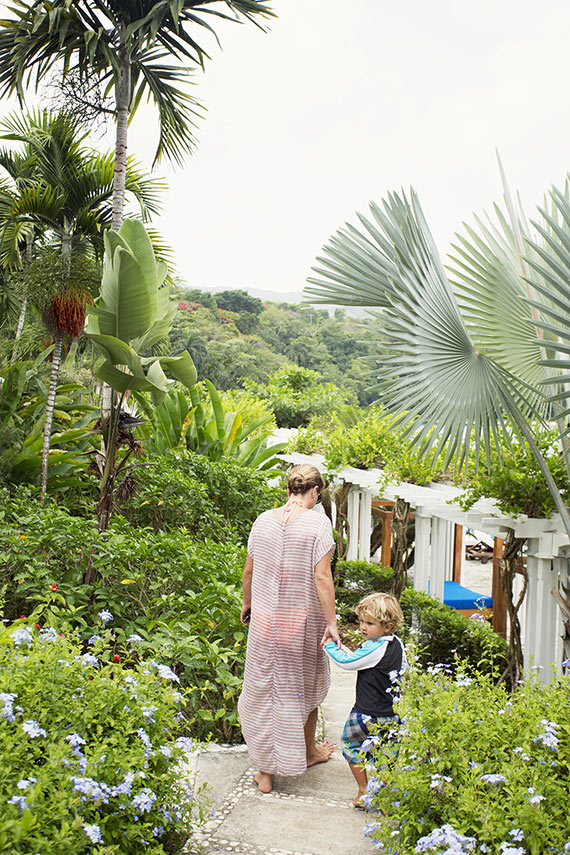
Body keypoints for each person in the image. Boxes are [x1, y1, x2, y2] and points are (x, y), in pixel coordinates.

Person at [238, 463, 341, 794]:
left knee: (265, 690)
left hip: (265, 622)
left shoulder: (262, 521)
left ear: (288, 490)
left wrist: (247, 604)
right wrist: (332, 622)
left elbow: (249, 572)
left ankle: (265, 773)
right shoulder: (318, 524)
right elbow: (322, 577)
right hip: (301, 622)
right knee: (304, 689)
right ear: (315, 492)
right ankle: (308, 752)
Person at [323, 592, 407, 808]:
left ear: (387, 626)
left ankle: (363, 791)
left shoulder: (374, 647)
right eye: (361, 621)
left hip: (366, 712)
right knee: (386, 757)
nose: (363, 627)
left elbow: (347, 662)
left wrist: (329, 645)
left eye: (369, 623)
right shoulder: (397, 644)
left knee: (351, 746)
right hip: (392, 714)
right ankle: (386, 799)